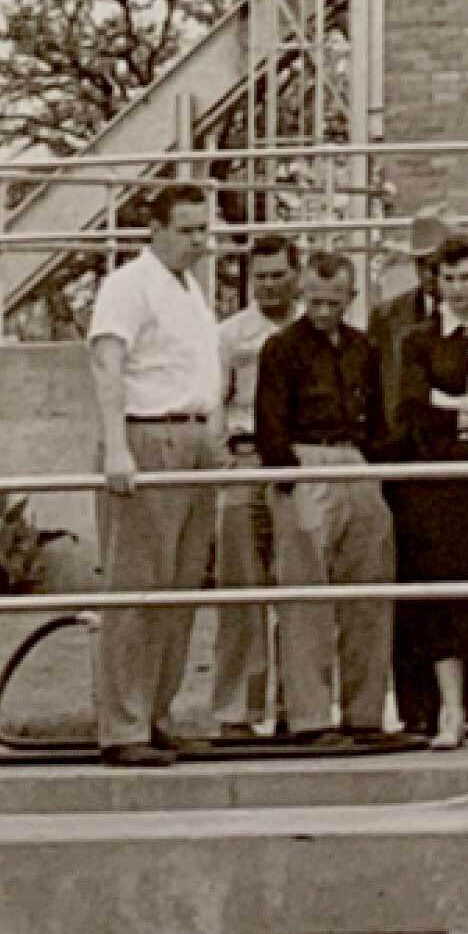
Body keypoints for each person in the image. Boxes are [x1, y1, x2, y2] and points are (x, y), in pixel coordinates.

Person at [89, 183, 225, 767]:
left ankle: (157, 710)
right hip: (150, 436)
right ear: (158, 230)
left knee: (180, 586)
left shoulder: (190, 289)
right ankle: (123, 724)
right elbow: (108, 362)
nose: (200, 240)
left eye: (204, 229)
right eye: (189, 229)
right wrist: (118, 447)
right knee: (138, 587)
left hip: (193, 438)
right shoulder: (128, 284)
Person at [371, 204, 468, 737]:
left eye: (466, 277)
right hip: (437, 479)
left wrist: (457, 404)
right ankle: (450, 710)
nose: (457, 288)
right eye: (447, 277)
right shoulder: (416, 339)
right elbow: (413, 408)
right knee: (444, 595)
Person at [254, 251, 393, 746]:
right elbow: (268, 421)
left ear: (350, 299)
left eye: (333, 302)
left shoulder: (365, 348)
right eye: (314, 301)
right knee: (306, 596)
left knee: (369, 592)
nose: (322, 312)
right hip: (304, 461)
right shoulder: (282, 348)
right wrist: (289, 481)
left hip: (356, 462)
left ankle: (366, 714)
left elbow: (379, 412)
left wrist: (374, 467)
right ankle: (310, 716)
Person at [213, 235, 302, 739]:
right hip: (246, 459)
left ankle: (299, 706)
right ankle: (236, 712)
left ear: (296, 273)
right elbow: (214, 400)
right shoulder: (230, 335)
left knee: (300, 586)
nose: (269, 286)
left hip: (297, 458)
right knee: (241, 589)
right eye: (260, 277)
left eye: (278, 275)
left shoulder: (313, 328)